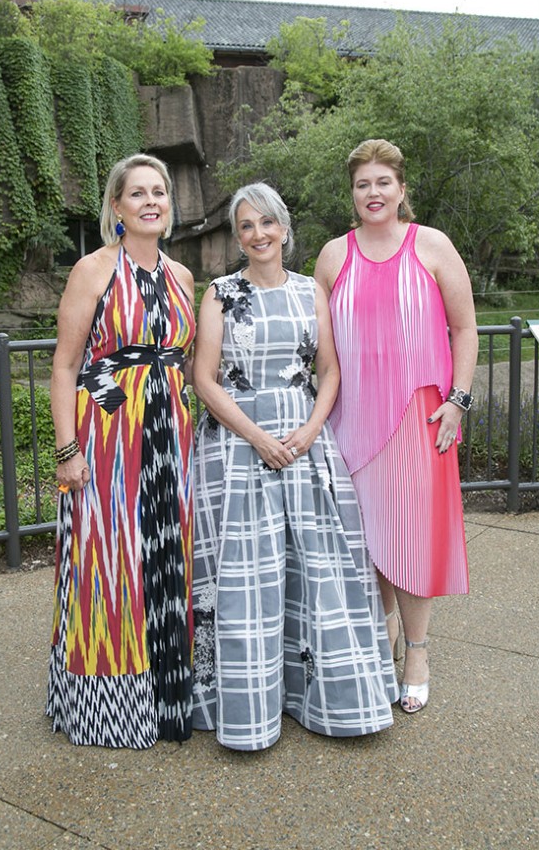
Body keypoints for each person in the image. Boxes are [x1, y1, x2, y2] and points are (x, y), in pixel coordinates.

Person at [191, 182, 398, 751]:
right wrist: (257, 437)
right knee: (243, 576)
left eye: (267, 224)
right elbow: (203, 378)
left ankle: (324, 698)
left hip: (305, 446)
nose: (258, 235)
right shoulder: (219, 294)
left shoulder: (311, 292)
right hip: (236, 448)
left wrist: (309, 431)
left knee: (316, 568)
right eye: (246, 227)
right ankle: (248, 708)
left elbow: (329, 371)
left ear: (284, 229)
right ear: (239, 237)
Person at [315, 139, 478, 715]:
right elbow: (322, 351)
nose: (374, 193)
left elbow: (465, 330)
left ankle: (417, 652)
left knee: (411, 541)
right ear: (352, 194)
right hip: (349, 422)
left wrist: (457, 401)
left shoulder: (430, 244)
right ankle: (372, 639)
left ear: (401, 189)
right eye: (363, 184)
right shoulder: (334, 256)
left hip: (419, 418)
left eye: (384, 182)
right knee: (363, 544)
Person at [46, 153, 196, 748]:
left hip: (171, 439)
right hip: (108, 434)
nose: (151, 201)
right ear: (117, 206)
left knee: (166, 559)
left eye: (159, 192)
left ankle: (166, 699)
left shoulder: (182, 276)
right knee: (109, 562)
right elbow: (66, 365)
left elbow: (187, 360)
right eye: (137, 193)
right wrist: (67, 451)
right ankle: (108, 710)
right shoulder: (93, 269)